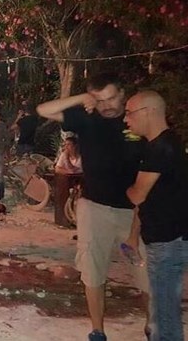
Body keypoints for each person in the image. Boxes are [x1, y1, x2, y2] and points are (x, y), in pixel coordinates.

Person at [37, 71, 149, 341]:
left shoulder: (136, 119)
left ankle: (152, 326)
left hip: (134, 212)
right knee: (93, 271)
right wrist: (81, 98)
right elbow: (43, 110)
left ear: (122, 93)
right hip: (94, 207)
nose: (106, 105)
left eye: (111, 98)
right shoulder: (87, 118)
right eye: (99, 100)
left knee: (146, 273)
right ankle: (97, 331)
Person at [122, 91, 188, 341]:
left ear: (148, 112)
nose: (126, 119)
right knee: (163, 310)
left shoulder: (160, 148)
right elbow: (149, 201)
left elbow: (137, 196)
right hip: (168, 238)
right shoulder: (165, 143)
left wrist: (125, 187)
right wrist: (133, 235)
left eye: (129, 113)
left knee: (164, 315)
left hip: (168, 241)